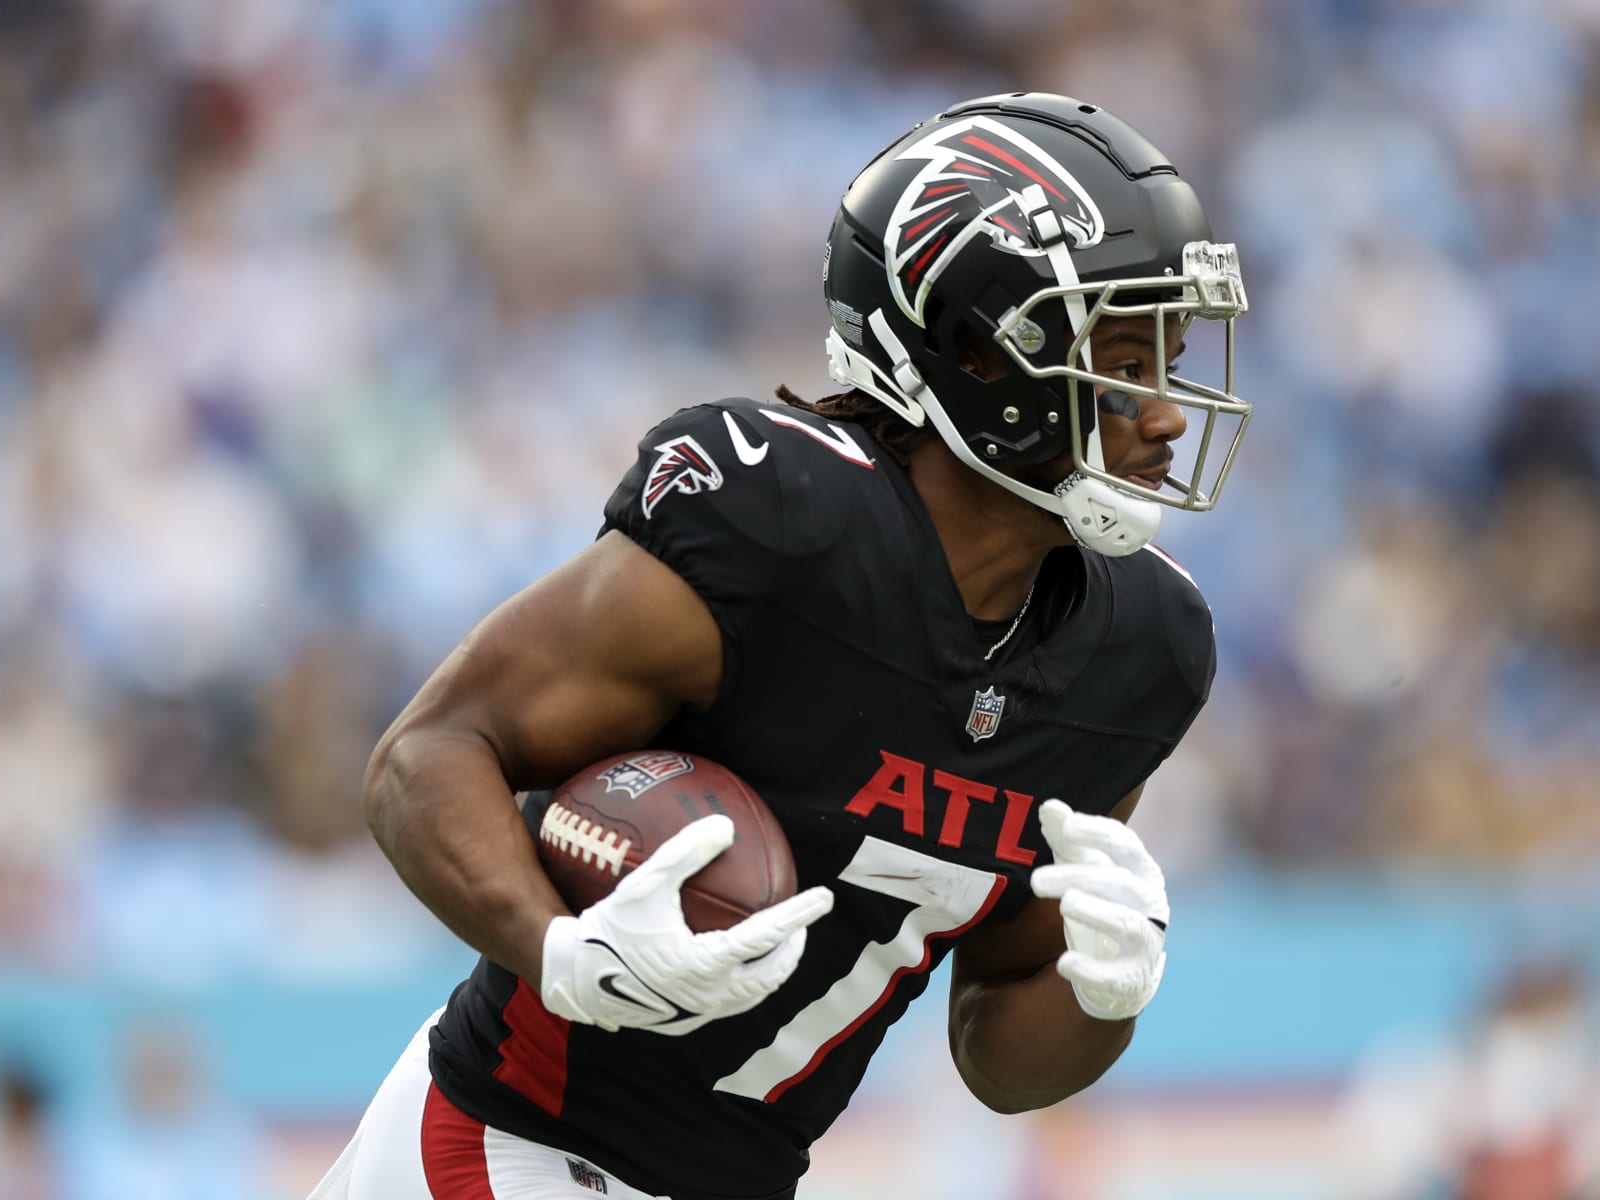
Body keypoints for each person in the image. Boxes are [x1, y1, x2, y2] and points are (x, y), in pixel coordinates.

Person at [311, 91, 1254, 1200]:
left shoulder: (1140, 647)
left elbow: (999, 1049)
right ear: (977, 352)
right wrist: (562, 954)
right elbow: (427, 755)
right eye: (1121, 353)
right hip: (507, 1141)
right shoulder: (783, 527)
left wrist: (1105, 995)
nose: (1165, 413)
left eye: (1170, 354)